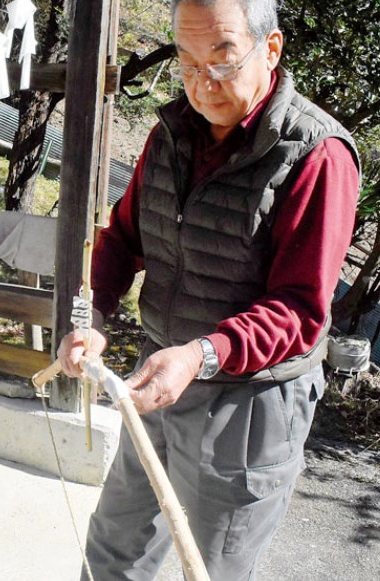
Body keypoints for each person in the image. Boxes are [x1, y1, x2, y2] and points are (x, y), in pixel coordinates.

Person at [57, 0, 361, 579]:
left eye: (221, 60)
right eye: (188, 64)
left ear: (270, 50)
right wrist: (89, 315)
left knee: (212, 568)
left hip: (248, 405)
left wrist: (201, 356)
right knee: (115, 547)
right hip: (159, 374)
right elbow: (121, 238)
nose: (202, 84)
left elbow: (300, 310)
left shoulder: (316, 155)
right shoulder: (170, 135)